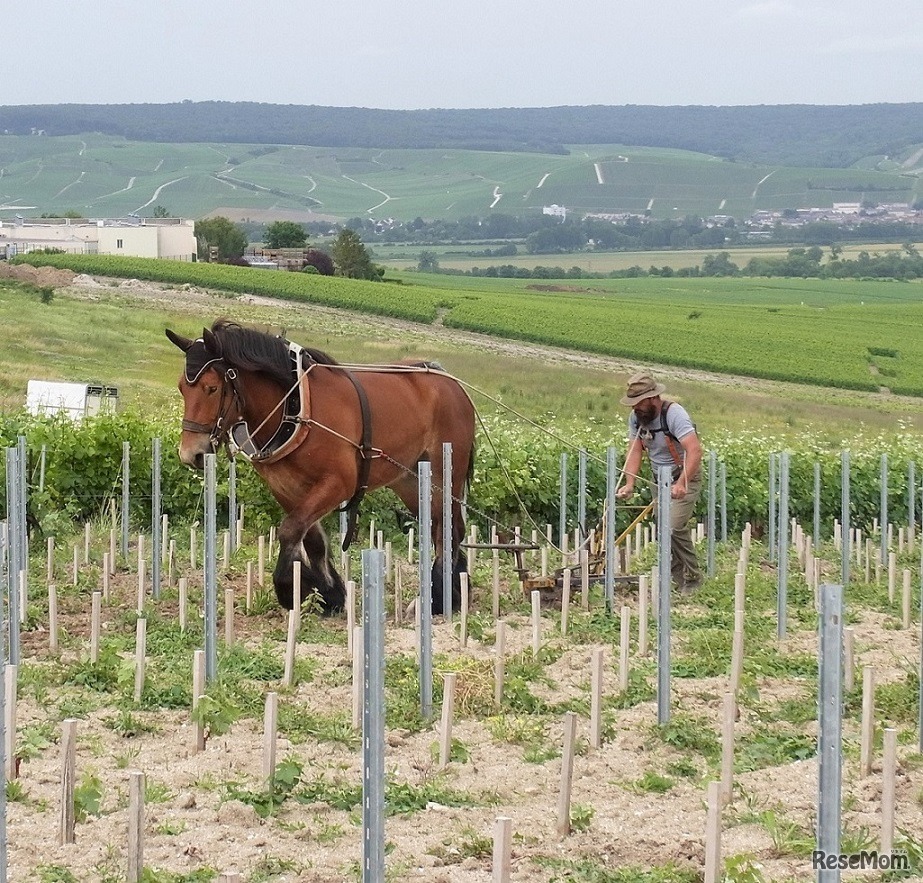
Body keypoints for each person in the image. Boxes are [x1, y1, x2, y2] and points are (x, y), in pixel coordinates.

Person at [615, 371, 703, 594]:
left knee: (673, 527)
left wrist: (682, 482)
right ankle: (676, 577)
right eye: (633, 404)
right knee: (664, 530)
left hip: (685, 475)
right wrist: (629, 483)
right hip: (658, 480)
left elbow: (694, 451)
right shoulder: (637, 418)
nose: (635, 408)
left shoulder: (675, 415)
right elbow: (635, 450)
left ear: (653, 398)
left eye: (639, 403)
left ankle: (692, 576)